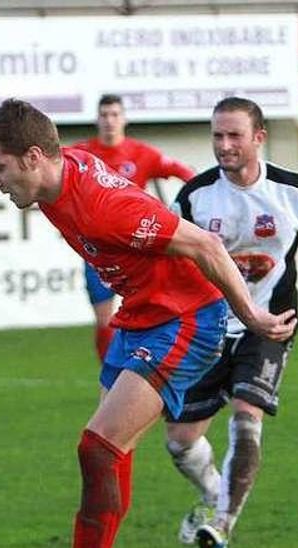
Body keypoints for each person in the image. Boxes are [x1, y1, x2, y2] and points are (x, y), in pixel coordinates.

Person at [0, 98, 296, 548]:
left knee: (97, 447)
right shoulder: (53, 175)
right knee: (108, 453)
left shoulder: (105, 205)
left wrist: (251, 315)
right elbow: (14, 169)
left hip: (185, 320)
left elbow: (205, 245)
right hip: (141, 317)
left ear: (32, 157)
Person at [165, 97, 298, 547]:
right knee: (179, 440)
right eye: (217, 135)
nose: (224, 145)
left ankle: (222, 524)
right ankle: (216, 494)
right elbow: (168, 258)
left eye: (234, 135)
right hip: (209, 328)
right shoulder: (194, 197)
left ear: (259, 138)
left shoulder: (292, 191)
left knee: (246, 415)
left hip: (271, 325)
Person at [71, 94, 196, 362]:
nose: (109, 121)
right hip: (97, 251)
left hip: (135, 249)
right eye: (104, 115)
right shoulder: (83, 154)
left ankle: (149, 365)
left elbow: (183, 171)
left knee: (152, 312)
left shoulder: (141, 153)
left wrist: (193, 198)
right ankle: (112, 377)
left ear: (124, 119)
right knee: (105, 320)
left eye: (115, 115)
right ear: (97, 120)